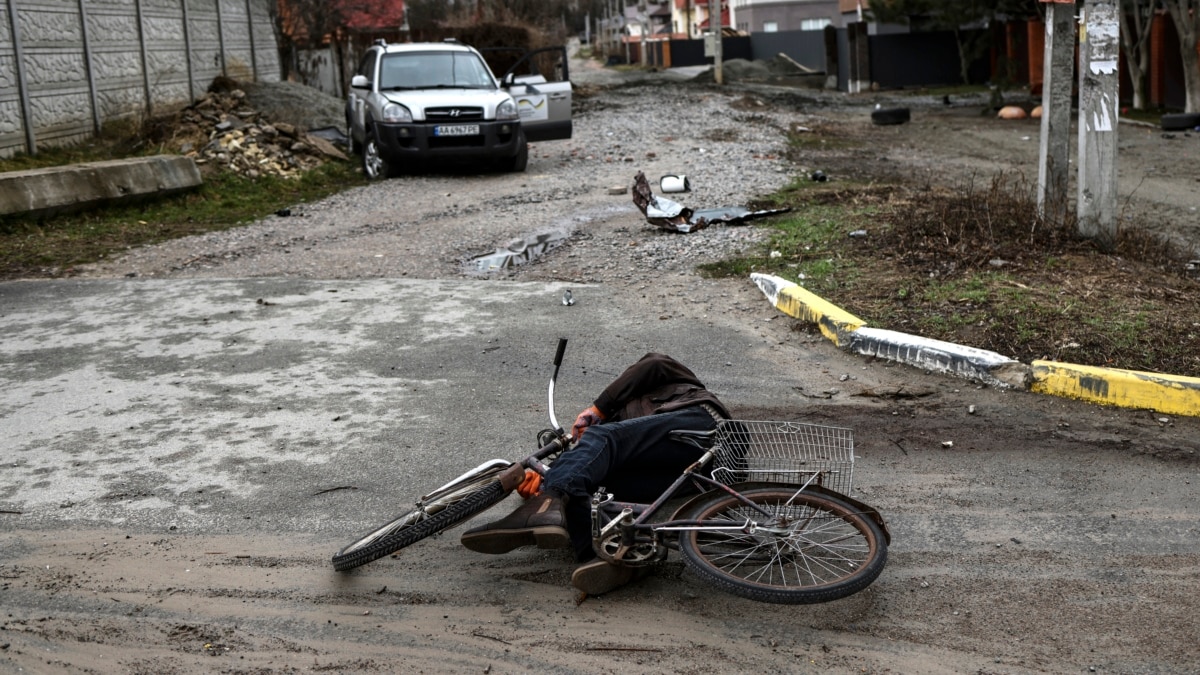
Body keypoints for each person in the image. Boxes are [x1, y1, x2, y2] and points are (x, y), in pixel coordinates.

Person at [460, 352, 730, 595]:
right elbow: (590, 464)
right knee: (592, 492)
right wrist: (543, 481)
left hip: (701, 429)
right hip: (688, 474)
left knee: (602, 439)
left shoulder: (671, 383)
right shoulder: (620, 429)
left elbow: (654, 364)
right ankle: (620, 554)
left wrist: (599, 408)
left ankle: (547, 502)